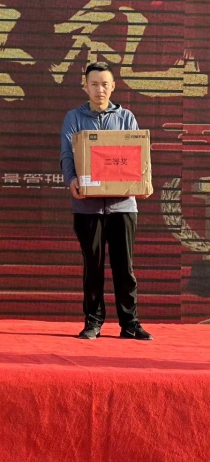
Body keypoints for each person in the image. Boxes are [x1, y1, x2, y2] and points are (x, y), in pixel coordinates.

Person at [60, 61, 153, 340]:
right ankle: (93, 321)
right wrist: (71, 179)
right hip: (87, 206)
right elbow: (67, 153)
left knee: (125, 268)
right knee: (93, 267)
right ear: (85, 86)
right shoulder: (74, 118)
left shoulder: (126, 118)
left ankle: (130, 323)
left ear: (113, 86)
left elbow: (139, 154)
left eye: (104, 84)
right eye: (94, 84)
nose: (99, 89)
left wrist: (144, 181)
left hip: (123, 205)